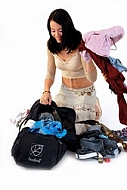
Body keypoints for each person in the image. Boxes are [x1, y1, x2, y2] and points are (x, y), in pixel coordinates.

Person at [40, 8, 102, 135]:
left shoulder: (80, 44)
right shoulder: (51, 45)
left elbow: (93, 78)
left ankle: (94, 101)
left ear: (67, 28)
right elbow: (50, 72)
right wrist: (46, 91)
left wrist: (88, 59)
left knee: (77, 130)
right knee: (54, 122)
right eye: (53, 31)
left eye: (60, 30)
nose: (56, 35)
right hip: (65, 91)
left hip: (84, 93)